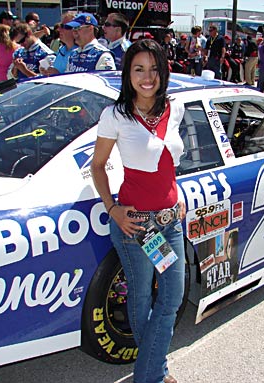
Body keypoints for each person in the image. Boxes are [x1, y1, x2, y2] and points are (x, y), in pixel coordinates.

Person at [91, 38, 186, 383]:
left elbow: (170, 162)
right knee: (142, 295)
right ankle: (154, 375)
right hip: (139, 226)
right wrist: (112, 209)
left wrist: (180, 195)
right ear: (127, 74)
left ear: (164, 72)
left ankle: (150, 373)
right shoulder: (114, 116)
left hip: (170, 221)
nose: (147, 77)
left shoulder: (175, 108)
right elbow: (98, 167)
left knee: (172, 296)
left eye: (154, 69)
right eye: (138, 69)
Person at [40, 11, 77, 76]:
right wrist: (47, 71)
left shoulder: (81, 52)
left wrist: (58, 75)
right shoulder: (61, 50)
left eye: (63, 26)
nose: (59, 29)